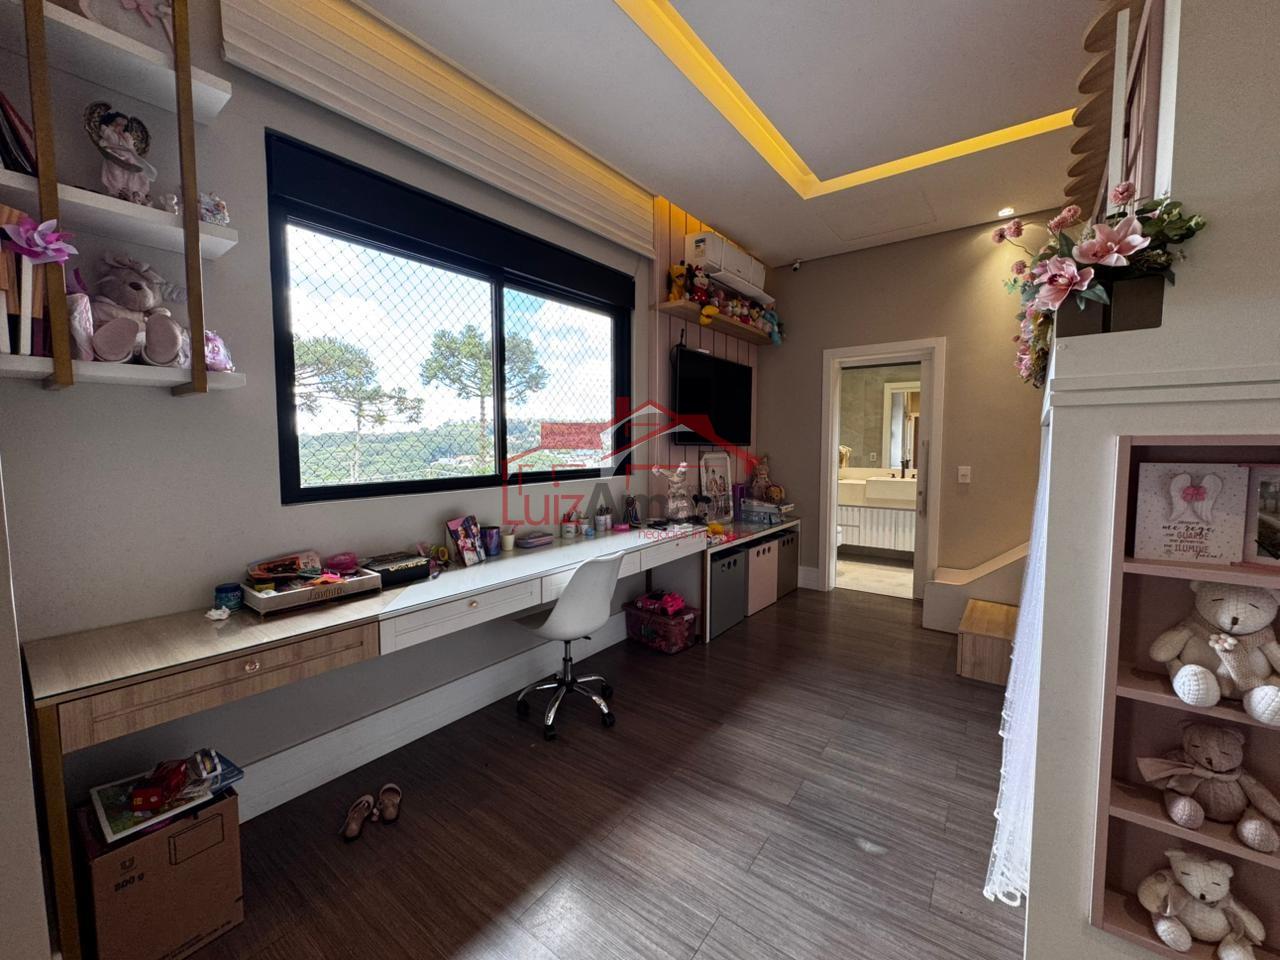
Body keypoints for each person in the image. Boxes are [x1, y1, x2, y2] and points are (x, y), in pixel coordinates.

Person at [97, 112, 157, 205]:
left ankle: (135, 193)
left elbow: (131, 150)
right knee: (117, 172)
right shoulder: (109, 134)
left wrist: (132, 154)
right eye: (117, 124)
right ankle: (117, 191)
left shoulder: (125, 136)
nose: (120, 127)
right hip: (115, 157)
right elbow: (108, 146)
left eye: (123, 126)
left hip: (129, 157)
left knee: (139, 172)